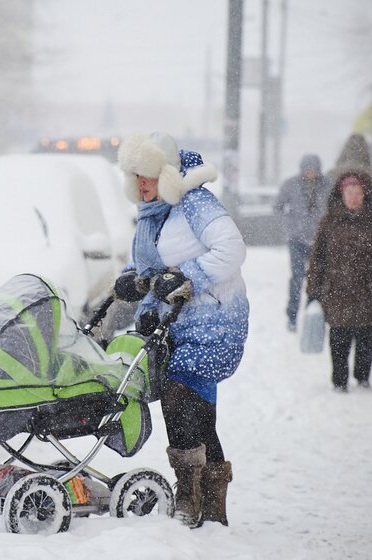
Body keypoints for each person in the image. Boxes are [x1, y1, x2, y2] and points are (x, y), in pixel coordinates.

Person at [112, 132, 249, 527]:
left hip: (214, 320)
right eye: (136, 175)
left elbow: (232, 249)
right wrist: (133, 280)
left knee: (178, 397)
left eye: (149, 175)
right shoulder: (151, 213)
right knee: (196, 412)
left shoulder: (195, 203)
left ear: (167, 174)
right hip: (174, 324)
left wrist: (187, 278)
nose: (141, 183)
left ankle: (191, 495)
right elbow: (152, 263)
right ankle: (211, 503)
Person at [306, 171, 372, 392]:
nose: (354, 198)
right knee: (339, 336)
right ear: (341, 194)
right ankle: (339, 379)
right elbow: (318, 257)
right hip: (337, 290)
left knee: (366, 335)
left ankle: (363, 376)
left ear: (365, 195)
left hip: (368, 289)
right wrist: (313, 289)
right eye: (349, 193)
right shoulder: (329, 222)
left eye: (358, 193)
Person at [273, 154, 333, 331]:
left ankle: (312, 314)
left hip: (320, 240)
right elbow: (277, 207)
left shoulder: (328, 186)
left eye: (313, 169)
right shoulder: (290, 184)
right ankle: (292, 316)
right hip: (297, 239)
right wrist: (290, 224)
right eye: (307, 169)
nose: (310, 173)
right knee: (297, 278)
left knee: (317, 279)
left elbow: (335, 208)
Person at [327, 133, 372, 217]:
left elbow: (324, 202)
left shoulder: (332, 174)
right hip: (367, 221)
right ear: (366, 151)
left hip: (337, 221)